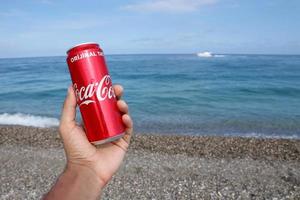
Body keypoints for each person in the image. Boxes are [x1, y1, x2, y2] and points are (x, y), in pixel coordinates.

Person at [44, 84, 133, 200]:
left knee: (113, 92)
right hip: (98, 144)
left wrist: (85, 168)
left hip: (110, 139)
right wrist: (84, 166)